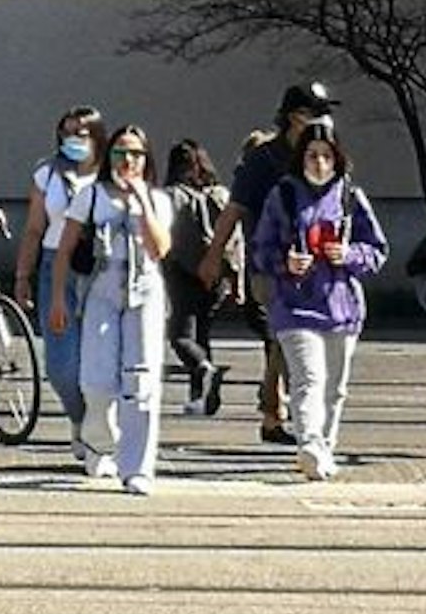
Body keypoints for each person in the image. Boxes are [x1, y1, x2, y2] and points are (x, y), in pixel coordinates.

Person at [200, 82, 341, 446]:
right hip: (270, 264)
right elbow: (234, 209)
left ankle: (276, 410)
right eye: (317, 112)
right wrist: (214, 255)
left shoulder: (320, 155)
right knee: (287, 334)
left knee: (296, 337)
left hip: (315, 266)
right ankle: (274, 413)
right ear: (296, 117)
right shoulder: (263, 160)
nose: (326, 119)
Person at [249, 121, 388, 480]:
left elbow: (377, 250)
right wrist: (285, 262)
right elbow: (260, 248)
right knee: (308, 377)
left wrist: (350, 254)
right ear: (301, 158)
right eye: (313, 156)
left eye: (327, 156)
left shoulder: (350, 197)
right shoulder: (284, 195)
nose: (320, 164)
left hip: (342, 307)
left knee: (335, 386)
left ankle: (324, 446)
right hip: (294, 305)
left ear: (338, 159)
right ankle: (309, 443)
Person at [48, 125, 174, 494]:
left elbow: (160, 248)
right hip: (101, 290)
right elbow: (65, 250)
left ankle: (137, 467)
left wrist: (142, 201)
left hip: (145, 290)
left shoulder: (158, 200)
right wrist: (58, 298)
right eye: (120, 152)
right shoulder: (90, 196)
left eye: (136, 153)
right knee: (97, 382)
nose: (128, 160)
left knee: (141, 382)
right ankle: (100, 443)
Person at [13, 106, 107, 455]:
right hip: (56, 266)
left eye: (82, 133)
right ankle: (80, 418)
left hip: (99, 266)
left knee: (96, 359)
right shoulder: (47, 174)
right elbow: (35, 228)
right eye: (67, 133)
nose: (74, 141)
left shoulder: (108, 175)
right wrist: (23, 275)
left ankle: (97, 434)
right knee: (61, 364)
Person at [162, 139, 233, 416]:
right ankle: (202, 398)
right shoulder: (219, 195)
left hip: (182, 271)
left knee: (179, 335)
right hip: (215, 273)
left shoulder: (171, 195)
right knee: (202, 333)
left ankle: (204, 369)